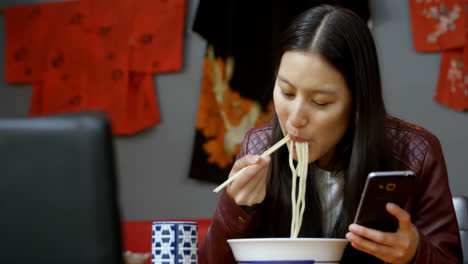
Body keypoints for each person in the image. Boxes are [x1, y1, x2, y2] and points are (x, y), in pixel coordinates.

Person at [199, 4, 462, 264]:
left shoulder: (416, 152)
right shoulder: (258, 146)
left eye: (321, 102)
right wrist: (237, 208)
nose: (296, 118)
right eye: (287, 93)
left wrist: (415, 253)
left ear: (358, 102)